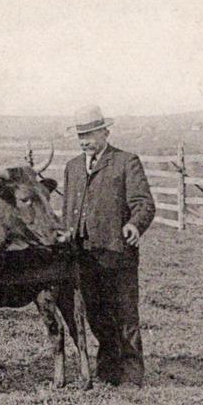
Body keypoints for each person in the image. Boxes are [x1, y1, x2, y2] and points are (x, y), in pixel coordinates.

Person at [62, 104, 155, 387]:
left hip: (117, 252)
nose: (85, 141)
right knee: (96, 312)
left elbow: (144, 204)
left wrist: (134, 225)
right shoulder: (73, 167)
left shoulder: (126, 162)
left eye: (90, 134)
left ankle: (131, 375)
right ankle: (108, 368)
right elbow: (69, 209)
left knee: (124, 313)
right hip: (84, 254)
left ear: (105, 132)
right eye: (81, 136)